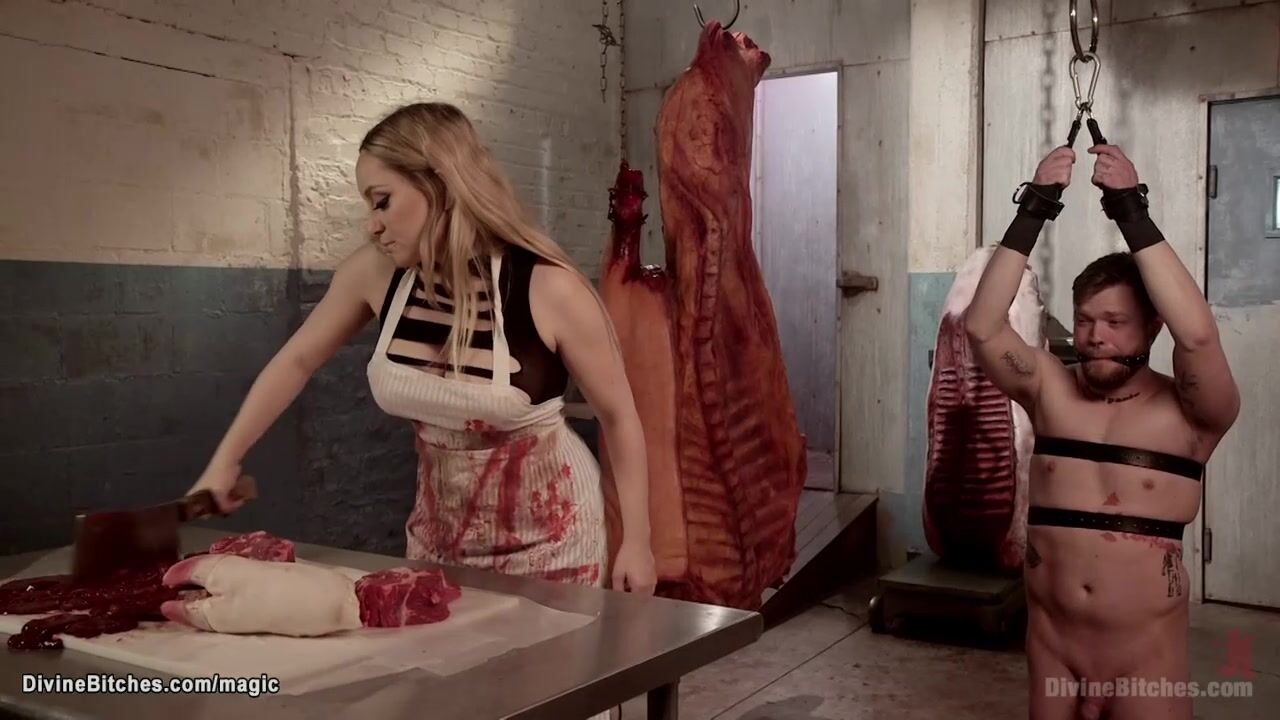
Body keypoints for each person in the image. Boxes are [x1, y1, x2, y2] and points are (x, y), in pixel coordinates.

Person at [186, 102, 657, 599]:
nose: (372, 225)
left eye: (382, 201)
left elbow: (619, 417)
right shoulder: (375, 275)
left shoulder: (549, 288)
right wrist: (226, 460)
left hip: (554, 544)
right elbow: (296, 360)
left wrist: (638, 542)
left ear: (440, 185)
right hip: (438, 541)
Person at [965, 143, 1240, 720]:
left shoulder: (1191, 413)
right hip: (1054, 651)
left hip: (1145, 661)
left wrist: (1130, 210)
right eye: (1086, 320)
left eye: (1115, 322)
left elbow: (1197, 336)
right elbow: (983, 326)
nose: (1095, 336)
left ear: (1152, 328)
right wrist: (1035, 205)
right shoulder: (1049, 387)